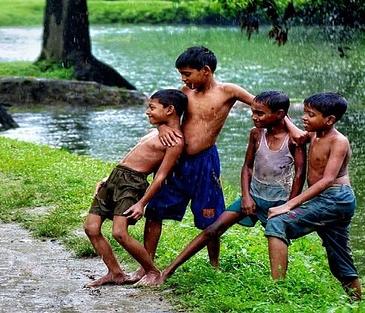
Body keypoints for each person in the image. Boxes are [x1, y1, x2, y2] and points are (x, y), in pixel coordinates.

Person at [140, 90, 306, 286]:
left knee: (275, 235)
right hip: (253, 194)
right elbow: (247, 167)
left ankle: (279, 286)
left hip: (278, 200)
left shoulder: (294, 140)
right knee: (211, 228)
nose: (254, 117)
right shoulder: (256, 133)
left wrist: (290, 205)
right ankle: (166, 272)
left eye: (259, 114)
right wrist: (246, 196)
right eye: (253, 112)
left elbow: (299, 175)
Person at [130, 46, 257, 283]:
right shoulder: (184, 93)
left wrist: (290, 128)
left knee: (211, 217)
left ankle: (214, 265)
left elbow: (263, 106)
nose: (184, 79)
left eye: (187, 74)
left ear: (206, 71)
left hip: (205, 163)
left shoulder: (228, 91)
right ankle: (146, 266)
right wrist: (163, 127)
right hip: (176, 161)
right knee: (155, 210)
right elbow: (164, 115)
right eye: (182, 75)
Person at [83, 89, 188, 287]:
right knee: (91, 227)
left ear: (170, 109)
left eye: (152, 108)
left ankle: (152, 271)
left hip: (132, 184)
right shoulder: (155, 131)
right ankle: (115, 272)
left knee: (119, 233)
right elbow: (131, 155)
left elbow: (161, 176)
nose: (147, 112)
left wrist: (141, 204)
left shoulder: (175, 141)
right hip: (116, 178)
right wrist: (108, 177)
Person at [265, 92, 362, 300]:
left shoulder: (339, 141)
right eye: (305, 113)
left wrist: (289, 205)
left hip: (336, 198)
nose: (305, 118)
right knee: (339, 255)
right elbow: (299, 137)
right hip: (329, 200)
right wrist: (283, 117)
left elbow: (327, 180)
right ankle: (357, 303)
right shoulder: (314, 134)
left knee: (277, 223)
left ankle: (277, 292)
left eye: (311, 114)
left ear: (329, 120)